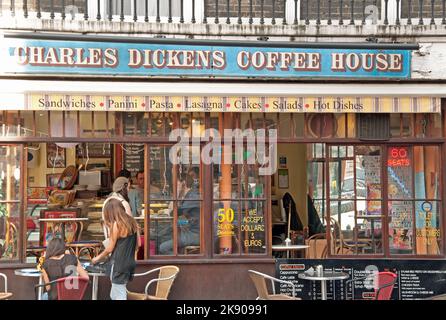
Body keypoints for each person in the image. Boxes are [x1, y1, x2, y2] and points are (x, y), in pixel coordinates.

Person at [92, 198, 140, 300]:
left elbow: (110, 248)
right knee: (116, 293)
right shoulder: (133, 222)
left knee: (118, 294)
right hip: (130, 262)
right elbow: (138, 244)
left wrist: (97, 258)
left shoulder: (117, 225)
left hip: (119, 264)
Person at [159, 174, 200, 254]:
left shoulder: (192, 196)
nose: (175, 187)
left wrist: (177, 194)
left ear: (183, 183)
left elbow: (175, 213)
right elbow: (187, 218)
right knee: (163, 235)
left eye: (177, 184)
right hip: (191, 230)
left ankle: (179, 265)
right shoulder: (189, 195)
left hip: (195, 234)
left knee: (163, 247)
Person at [102, 177, 132, 243]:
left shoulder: (106, 201)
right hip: (123, 240)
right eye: (128, 188)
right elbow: (130, 225)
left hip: (109, 238)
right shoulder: (123, 202)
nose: (129, 190)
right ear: (123, 187)